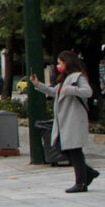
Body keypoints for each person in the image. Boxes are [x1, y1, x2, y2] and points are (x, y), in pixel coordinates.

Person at [31, 51, 100, 193]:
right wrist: (38, 85)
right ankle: (88, 174)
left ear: (67, 62)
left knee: (74, 150)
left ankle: (81, 182)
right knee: (60, 146)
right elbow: (53, 92)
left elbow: (88, 92)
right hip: (65, 120)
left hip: (74, 119)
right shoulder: (65, 78)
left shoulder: (77, 77)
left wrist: (70, 89)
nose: (58, 66)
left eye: (60, 63)